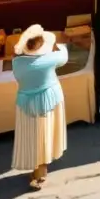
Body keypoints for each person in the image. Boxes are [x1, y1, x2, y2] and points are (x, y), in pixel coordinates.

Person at [11, 25, 68, 188]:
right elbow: (64, 55)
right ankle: (40, 171)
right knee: (45, 135)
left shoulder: (17, 63)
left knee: (32, 136)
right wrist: (57, 45)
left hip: (26, 104)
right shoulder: (50, 59)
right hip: (49, 101)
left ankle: (38, 169)